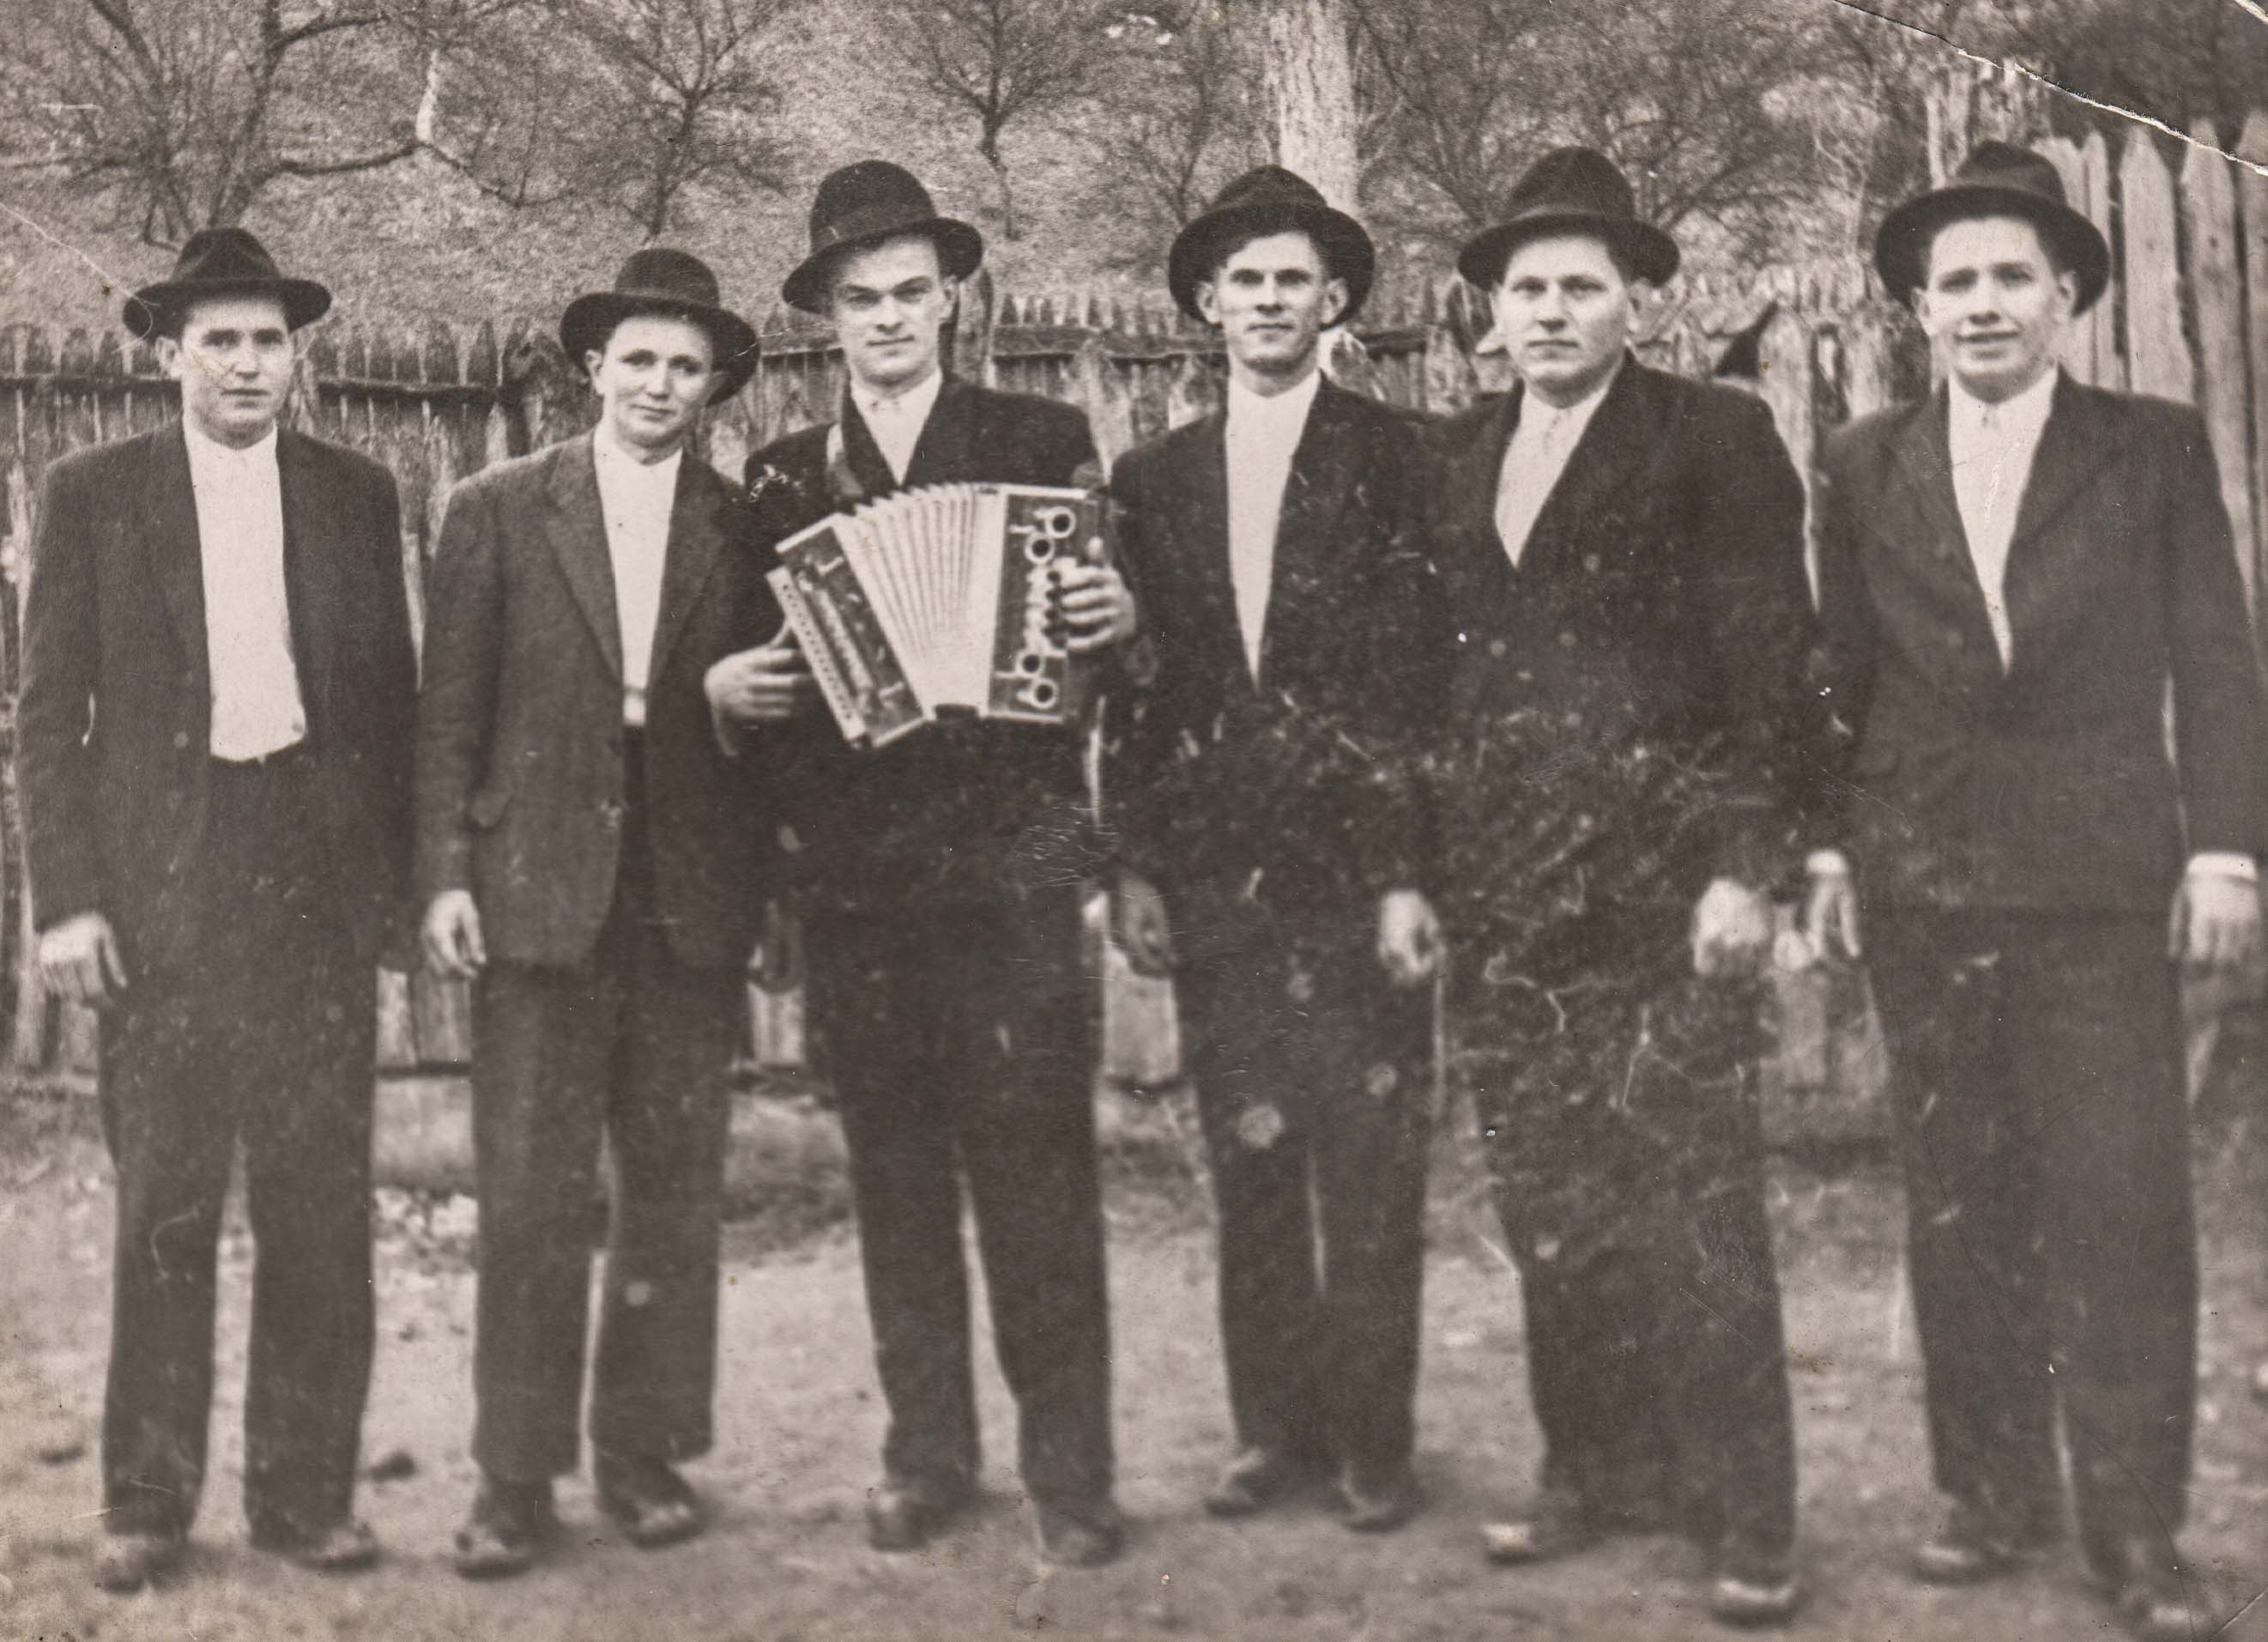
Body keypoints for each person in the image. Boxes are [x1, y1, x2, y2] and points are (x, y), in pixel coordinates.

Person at [1809, 140, 2268, 1642]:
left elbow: (2216, 659)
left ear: (2068, 295)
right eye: (1956, 282)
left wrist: (2224, 849)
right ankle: (1989, 1491)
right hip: (1927, 879)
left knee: (2120, 1202)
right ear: (1918, 309)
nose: (1985, 303)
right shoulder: (1862, 461)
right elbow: (1843, 676)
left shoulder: (2151, 448)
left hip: (2098, 885)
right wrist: (1832, 848)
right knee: (1962, 1194)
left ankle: (2135, 1528)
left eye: (2015, 275)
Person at [715, 160, 1138, 1568]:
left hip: (1017, 870)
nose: (889, 318)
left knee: (1039, 1181)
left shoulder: (1040, 434)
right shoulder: (779, 478)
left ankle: (1069, 1472)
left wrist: (1109, 616)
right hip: (857, 885)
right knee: (895, 1180)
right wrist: (747, 714)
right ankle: (927, 1456)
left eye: (910, 292)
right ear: (826, 317)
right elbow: (767, 696)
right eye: (861, 299)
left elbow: (1103, 666)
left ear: (953, 298)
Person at [1426, 148, 1816, 1626]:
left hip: (1668, 895)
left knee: (1698, 1203)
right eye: (1526, 288)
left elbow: (1770, 673)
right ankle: (1590, 1469)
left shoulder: (1714, 435)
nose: (1550, 311)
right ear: (1493, 309)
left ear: (1635, 302)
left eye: (1580, 287)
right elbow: (1435, 689)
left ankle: (1746, 1509)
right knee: (1551, 1200)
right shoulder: (1459, 455)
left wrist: (1744, 870)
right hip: (1510, 899)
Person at [18, 228, 416, 1591]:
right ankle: (146, 1502)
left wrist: (389, 892)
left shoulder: (356, 494)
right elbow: (47, 720)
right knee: (166, 1207)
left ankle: (304, 1496)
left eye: (268, 341)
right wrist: (69, 902)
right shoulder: (93, 494)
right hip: (163, 898)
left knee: (320, 1206)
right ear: (167, 354)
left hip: (312, 888)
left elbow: (389, 710)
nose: (248, 364)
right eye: (220, 340)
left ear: (297, 355)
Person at [414, 249, 789, 1578]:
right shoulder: (499, 508)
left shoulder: (743, 524)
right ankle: (513, 1478)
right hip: (537, 890)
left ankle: (643, 1453)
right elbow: (448, 714)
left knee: (673, 1188)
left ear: (714, 386)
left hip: (687, 892)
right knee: (529, 1189)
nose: (660, 384)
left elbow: (777, 720)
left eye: (687, 367)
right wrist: (446, 875)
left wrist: (738, 736)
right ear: (593, 367)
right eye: (639, 359)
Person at [1105, 166, 1451, 1532]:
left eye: (1292, 280)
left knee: (1369, 1156)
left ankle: (1375, 1442)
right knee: (1249, 1152)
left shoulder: (1402, 459)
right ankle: (1273, 1432)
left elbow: (1427, 682)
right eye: (1243, 280)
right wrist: (1133, 861)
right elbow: (1135, 689)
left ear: (1335, 301)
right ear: (1207, 302)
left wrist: (1412, 871)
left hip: (1360, 866)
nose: (1266, 301)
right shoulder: (1153, 479)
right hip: (1216, 868)